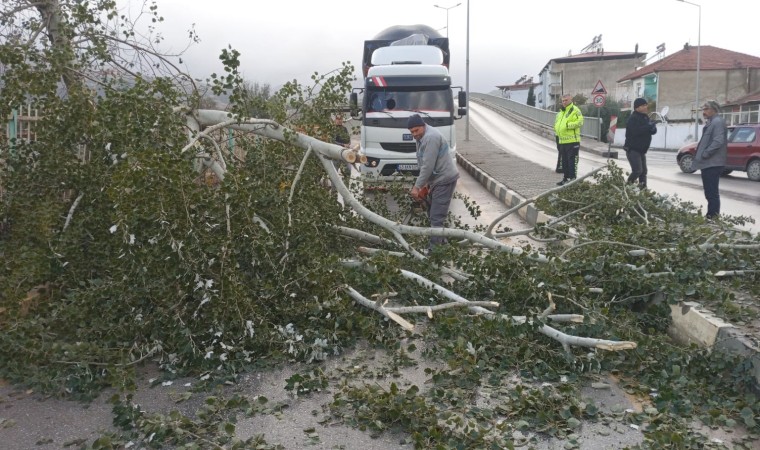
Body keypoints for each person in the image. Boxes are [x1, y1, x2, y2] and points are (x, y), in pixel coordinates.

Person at [407, 114, 459, 250]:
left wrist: (417, 187)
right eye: (411, 132)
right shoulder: (422, 137)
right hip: (436, 180)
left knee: (436, 217)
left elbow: (428, 166)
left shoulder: (431, 137)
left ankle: (434, 252)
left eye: (416, 130)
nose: (414, 134)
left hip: (444, 179)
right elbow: (423, 161)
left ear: (423, 126)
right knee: (432, 213)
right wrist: (425, 184)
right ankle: (444, 246)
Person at [692, 100, 727, 219]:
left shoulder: (717, 122)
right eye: (703, 109)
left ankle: (712, 217)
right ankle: (711, 216)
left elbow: (718, 141)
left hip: (713, 163)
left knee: (712, 193)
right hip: (708, 163)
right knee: (709, 192)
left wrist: (705, 154)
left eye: (706, 109)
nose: (704, 111)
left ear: (714, 109)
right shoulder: (711, 122)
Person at [623, 98, 657, 188]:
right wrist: (648, 127)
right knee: (638, 171)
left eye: (646, 105)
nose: (646, 107)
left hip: (642, 150)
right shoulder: (633, 118)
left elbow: (651, 130)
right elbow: (635, 131)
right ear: (637, 108)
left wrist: (653, 128)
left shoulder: (645, 117)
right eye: (643, 106)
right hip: (633, 149)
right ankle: (626, 187)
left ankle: (643, 191)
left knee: (643, 172)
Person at [554, 94, 584, 185]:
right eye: (563, 100)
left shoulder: (575, 110)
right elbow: (557, 124)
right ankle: (565, 179)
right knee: (564, 162)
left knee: (572, 161)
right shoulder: (561, 112)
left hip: (572, 141)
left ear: (571, 100)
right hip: (562, 140)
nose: (564, 102)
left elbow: (580, 122)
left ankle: (572, 180)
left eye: (566, 100)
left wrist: (568, 125)